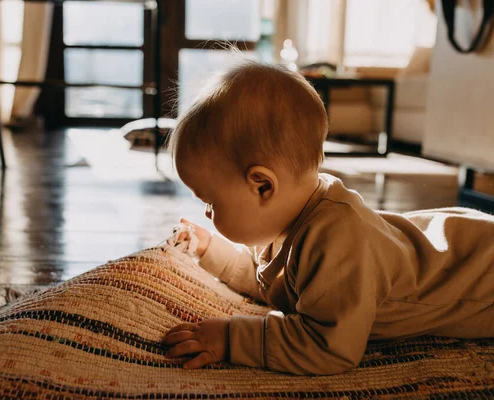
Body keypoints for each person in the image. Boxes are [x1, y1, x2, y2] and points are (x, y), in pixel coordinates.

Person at [161, 60, 494, 375]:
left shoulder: (336, 239)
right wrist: (211, 250)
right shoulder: (288, 217)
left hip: (481, 269)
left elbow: (329, 345)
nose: (206, 213)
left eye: (211, 202)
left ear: (262, 186)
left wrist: (233, 338)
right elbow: (273, 282)